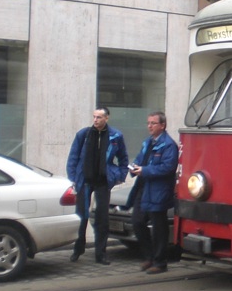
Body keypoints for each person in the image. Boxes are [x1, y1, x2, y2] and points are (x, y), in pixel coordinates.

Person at [66, 107, 129, 265]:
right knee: (81, 216)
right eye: (94, 117)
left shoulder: (115, 136)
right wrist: (73, 177)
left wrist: (121, 176)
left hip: (102, 181)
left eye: (99, 117)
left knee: (102, 218)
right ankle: (78, 249)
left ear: (107, 118)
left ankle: (101, 254)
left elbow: (123, 158)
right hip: (85, 181)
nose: (95, 120)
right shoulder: (84, 134)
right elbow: (73, 156)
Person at [128, 111, 178, 274]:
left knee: (158, 228)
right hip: (144, 187)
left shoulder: (169, 144)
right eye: (148, 123)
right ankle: (149, 256)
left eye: (153, 123)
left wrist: (145, 170)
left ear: (162, 125)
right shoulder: (147, 143)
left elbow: (168, 168)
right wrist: (133, 167)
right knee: (137, 222)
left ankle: (160, 261)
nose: (149, 126)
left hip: (158, 190)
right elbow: (140, 159)